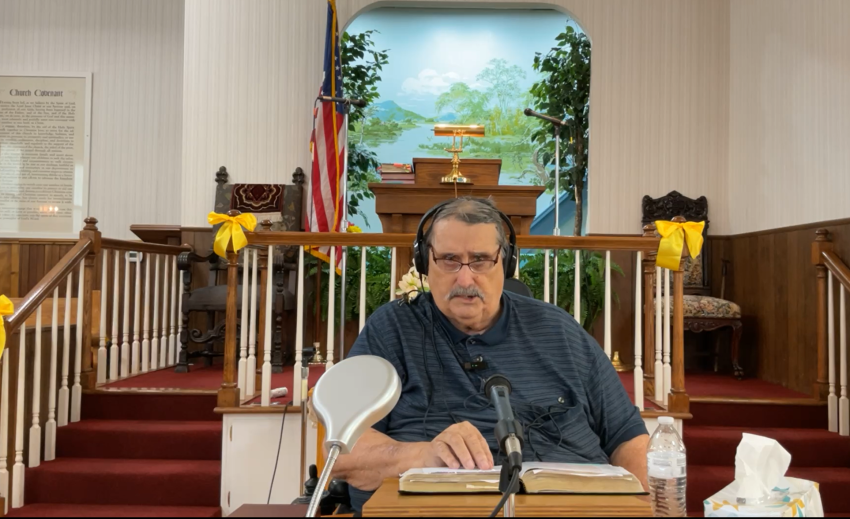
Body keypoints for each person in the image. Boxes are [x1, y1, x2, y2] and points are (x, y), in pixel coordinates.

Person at [333, 197, 649, 513]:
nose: (465, 279)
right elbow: (341, 452)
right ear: (424, 263)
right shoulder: (392, 330)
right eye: (449, 259)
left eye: (481, 260)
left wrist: (651, 508)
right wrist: (422, 456)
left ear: (506, 263)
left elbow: (629, 438)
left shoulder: (560, 330)